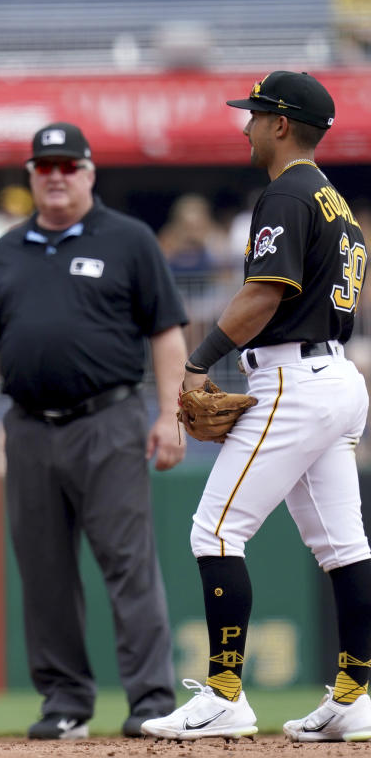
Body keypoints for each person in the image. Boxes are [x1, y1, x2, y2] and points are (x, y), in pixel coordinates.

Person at [142, 71, 371, 743]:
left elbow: (265, 293)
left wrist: (194, 359)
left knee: (214, 531)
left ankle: (224, 695)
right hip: (335, 378)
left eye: (254, 114)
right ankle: (357, 694)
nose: (245, 125)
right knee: (342, 544)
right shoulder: (334, 201)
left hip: (293, 380)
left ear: (280, 125)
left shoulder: (287, 192)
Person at [0, 122, 187, 740]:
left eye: (67, 166)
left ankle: (153, 702)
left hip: (109, 419)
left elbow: (166, 332)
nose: (56, 176)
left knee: (127, 565)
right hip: (27, 426)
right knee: (44, 571)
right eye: (44, 166)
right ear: (30, 176)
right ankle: (66, 702)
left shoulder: (129, 240)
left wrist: (168, 414)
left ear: (89, 173)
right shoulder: (7, 248)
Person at [331, 0, 371, 65]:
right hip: (352, 37)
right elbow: (343, 19)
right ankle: (359, 79)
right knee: (346, 46)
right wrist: (363, 31)